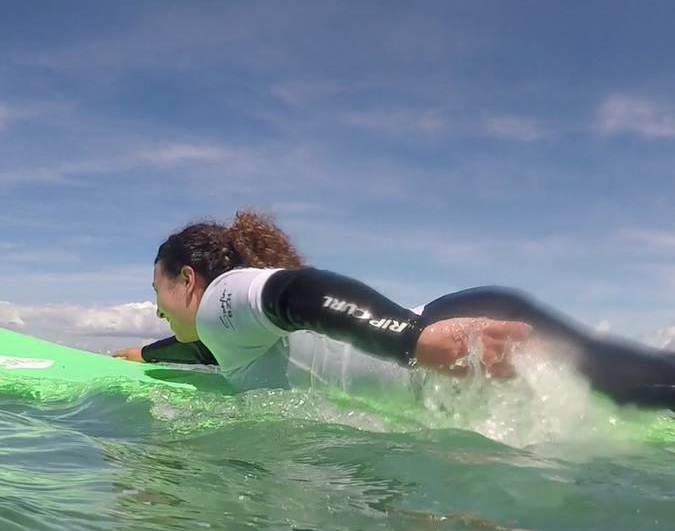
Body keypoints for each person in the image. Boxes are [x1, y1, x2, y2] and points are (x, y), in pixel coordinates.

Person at [115, 211, 675, 410]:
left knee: (647, 388)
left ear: (189, 280)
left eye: (157, 292)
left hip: (456, 336)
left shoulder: (220, 303)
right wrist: (132, 354)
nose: (158, 310)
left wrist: (413, 341)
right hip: (459, 340)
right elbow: (183, 348)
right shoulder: (227, 335)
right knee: (640, 387)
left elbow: (302, 293)